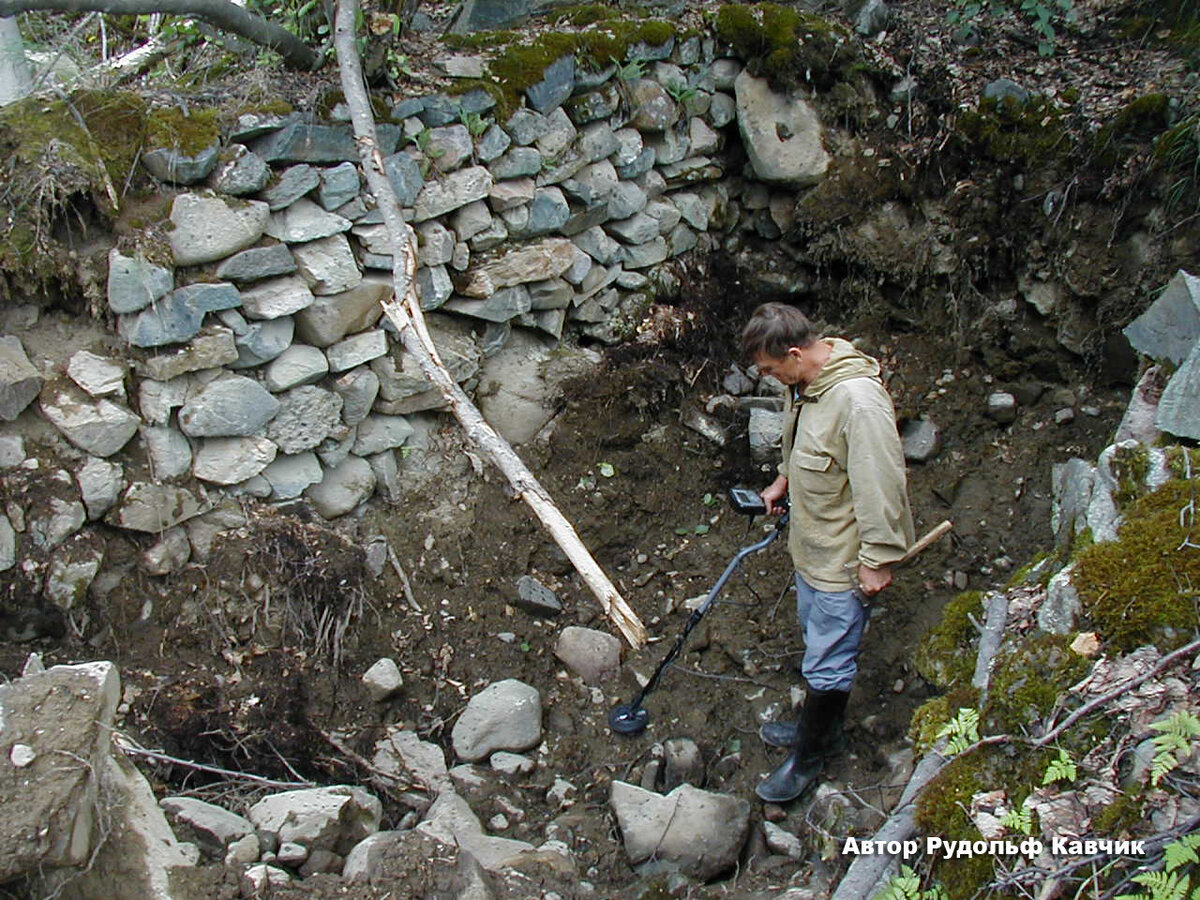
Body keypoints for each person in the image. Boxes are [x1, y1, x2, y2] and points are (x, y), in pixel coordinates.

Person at [741, 302, 915, 804]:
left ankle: (811, 756)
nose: (773, 380)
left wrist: (878, 557)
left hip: (843, 559)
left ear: (795, 353)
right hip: (810, 549)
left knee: (830, 659)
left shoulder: (858, 402)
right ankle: (818, 730)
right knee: (818, 640)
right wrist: (782, 481)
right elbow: (808, 450)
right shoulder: (808, 386)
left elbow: (881, 484)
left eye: (773, 370)